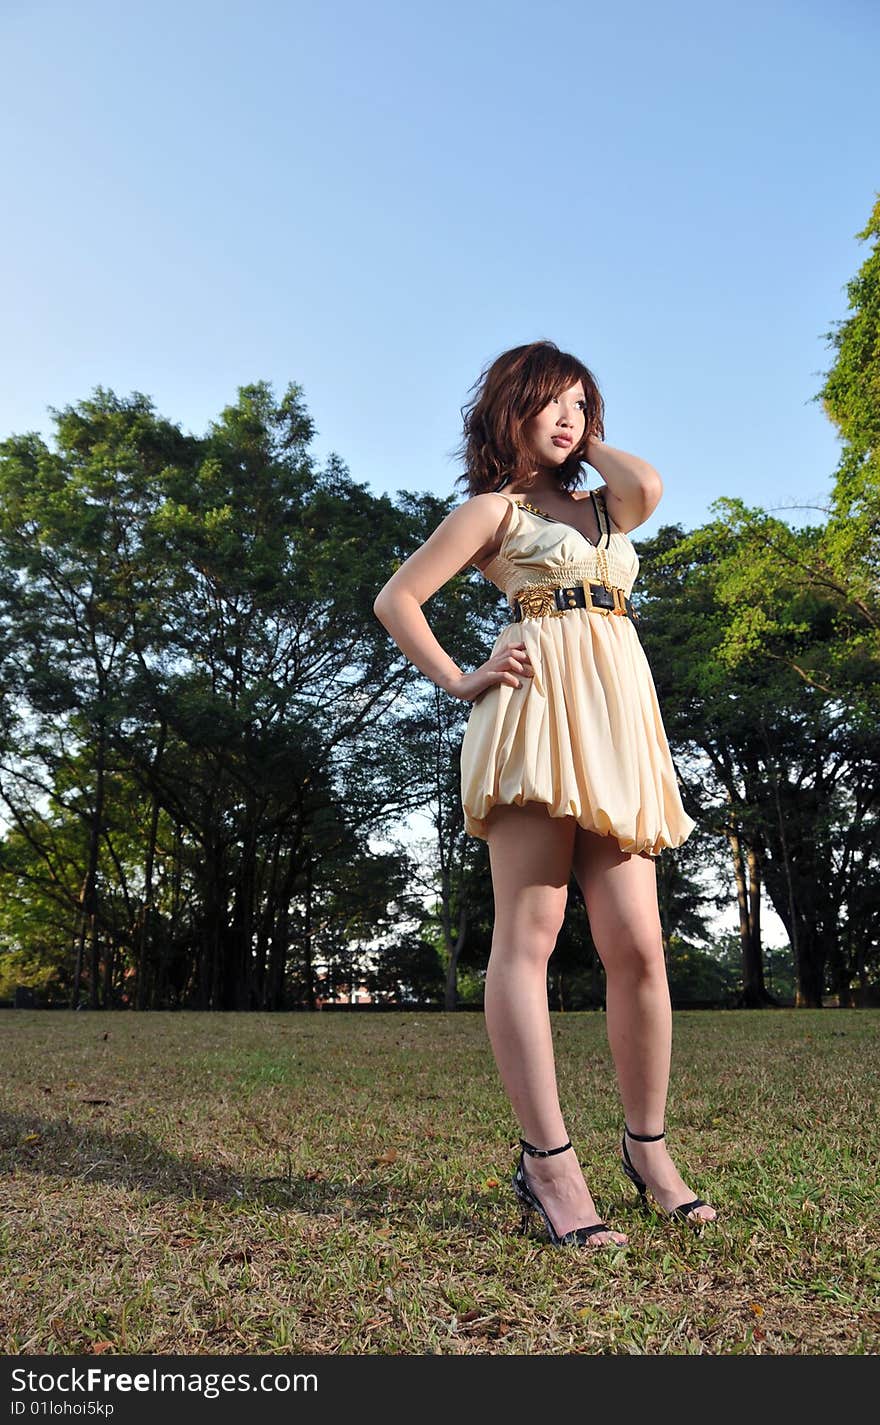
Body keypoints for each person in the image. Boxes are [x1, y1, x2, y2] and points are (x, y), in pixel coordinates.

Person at [373, 340, 716, 1249]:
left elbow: (649, 486)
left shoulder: (607, 507)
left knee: (639, 944)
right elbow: (398, 599)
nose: (568, 418)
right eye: (550, 403)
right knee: (526, 937)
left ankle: (648, 1152)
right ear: (507, 411)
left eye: (581, 404)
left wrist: (590, 440)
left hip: (616, 728)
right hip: (533, 721)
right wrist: (460, 677)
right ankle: (550, 1165)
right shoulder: (496, 511)